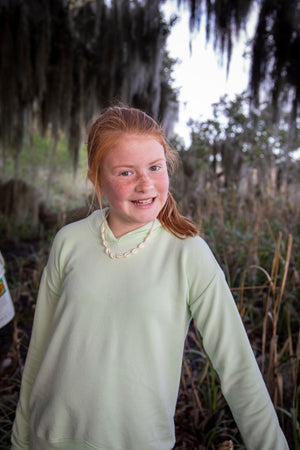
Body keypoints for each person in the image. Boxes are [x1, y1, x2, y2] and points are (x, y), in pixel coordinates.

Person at [11, 106, 289, 450]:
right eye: (126, 172)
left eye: (155, 167)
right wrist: (20, 440)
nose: (145, 184)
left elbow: (239, 369)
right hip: (48, 437)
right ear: (97, 179)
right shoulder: (68, 241)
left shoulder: (188, 253)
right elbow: (38, 349)